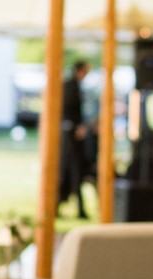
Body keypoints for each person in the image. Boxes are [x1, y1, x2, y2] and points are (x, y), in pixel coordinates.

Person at [59, 60, 90, 219]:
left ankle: (74, 207)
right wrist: (76, 126)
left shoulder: (73, 85)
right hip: (70, 134)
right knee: (71, 168)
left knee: (71, 169)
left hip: (71, 132)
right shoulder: (70, 87)